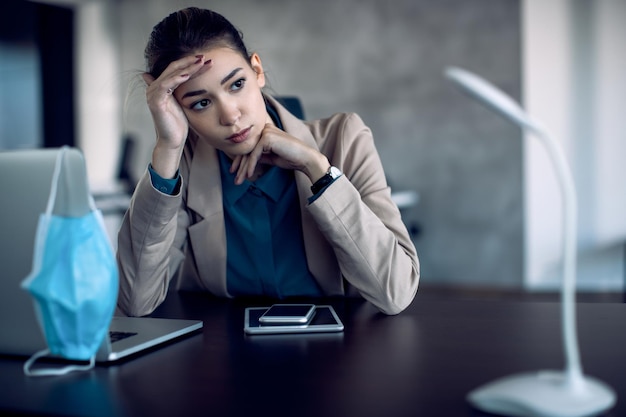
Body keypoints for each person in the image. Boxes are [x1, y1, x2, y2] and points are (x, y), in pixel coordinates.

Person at [116, 7, 419, 317]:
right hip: (220, 353)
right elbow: (135, 302)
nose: (231, 115)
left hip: (340, 351)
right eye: (201, 103)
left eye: (236, 84)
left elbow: (394, 293)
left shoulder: (344, 139)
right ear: (179, 110)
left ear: (256, 71)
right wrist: (168, 146)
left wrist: (318, 170)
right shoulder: (184, 163)